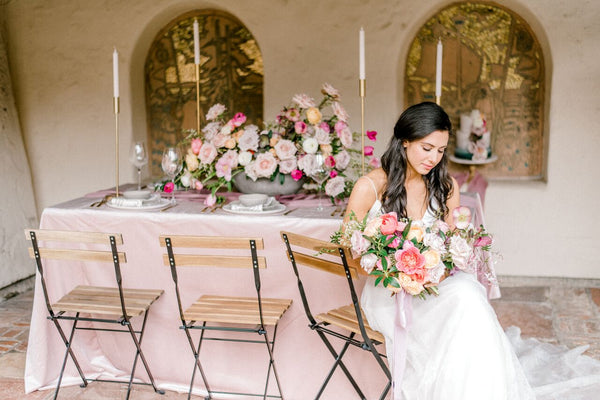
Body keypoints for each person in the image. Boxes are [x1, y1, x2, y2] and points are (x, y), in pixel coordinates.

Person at [344, 102, 535, 399]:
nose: (434, 158)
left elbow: (452, 248)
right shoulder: (368, 186)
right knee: (466, 306)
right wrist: (396, 275)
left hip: (434, 286)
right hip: (387, 293)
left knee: (469, 298)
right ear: (405, 140)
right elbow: (350, 256)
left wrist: (433, 274)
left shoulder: (446, 186)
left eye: (441, 150)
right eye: (427, 147)